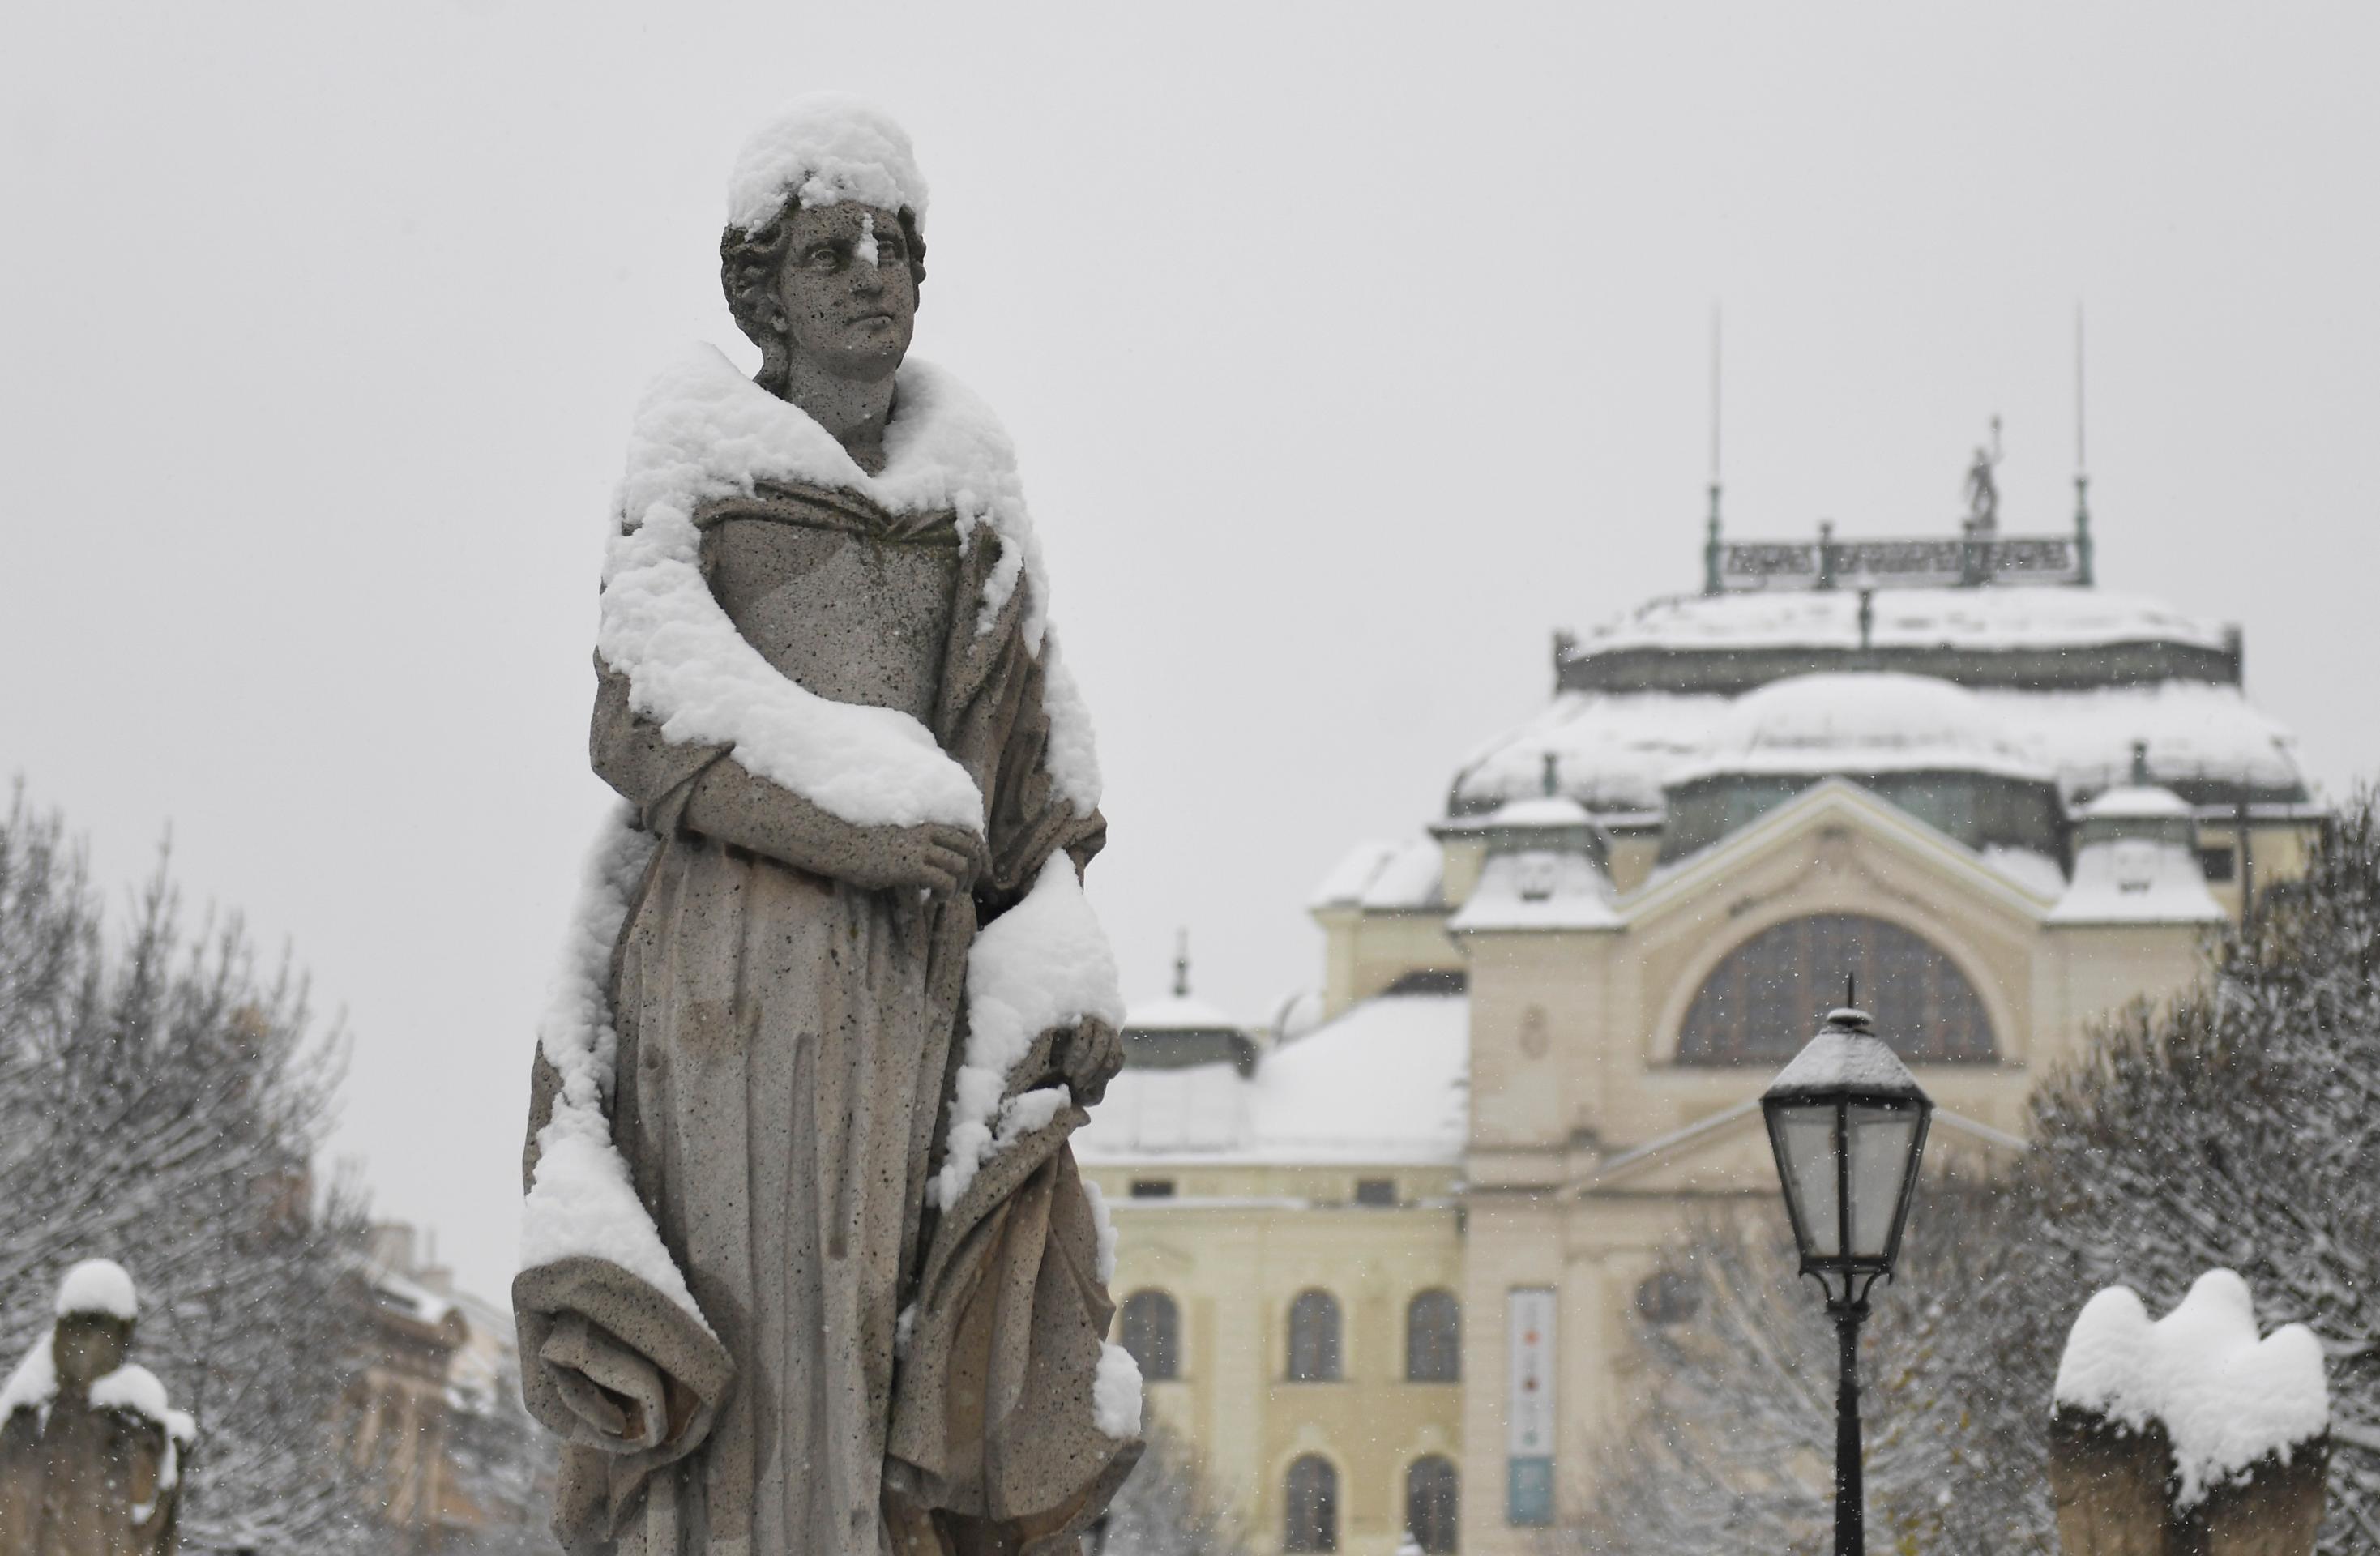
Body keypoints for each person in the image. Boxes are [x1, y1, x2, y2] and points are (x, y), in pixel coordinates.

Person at [516, 96, 1139, 1556]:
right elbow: (640, 703)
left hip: (910, 995)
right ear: (763, 288)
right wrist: (852, 818)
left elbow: (1029, 779)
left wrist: (1058, 958)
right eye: (829, 250)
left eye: (897, 246)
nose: (872, 273)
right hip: (723, 978)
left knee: (886, 1316)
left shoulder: (970, 496)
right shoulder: (699, 455)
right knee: (757, 1318)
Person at [0, 1261, 192, 1556]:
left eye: (94, 1330)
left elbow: (145, 1520)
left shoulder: (131, 1415)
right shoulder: (26, 1415)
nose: (84, 1345)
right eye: (76, 1330)